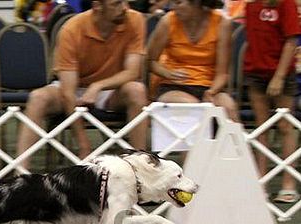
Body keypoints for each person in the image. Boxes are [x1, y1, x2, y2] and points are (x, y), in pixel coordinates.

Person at [15, 0, 149, 170]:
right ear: (97, 6)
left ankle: (140, 164)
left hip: (112, 88)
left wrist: (98, 86)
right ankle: (19, 171)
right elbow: (68, 93)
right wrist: (83, 144)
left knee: (137, 90)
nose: (125, 8)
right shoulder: (72, 29)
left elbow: (132, 72)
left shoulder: (135, 20)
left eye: (125, 2)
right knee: (38, 97)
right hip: (73, 87)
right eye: (116, 3)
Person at [244, 0, 301, 203]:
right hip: (255, 72)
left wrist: (278, 76)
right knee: (261, 128)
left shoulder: (286, 4)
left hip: (282, 73)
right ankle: (261, 181)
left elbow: (291, 41)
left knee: (286, 127)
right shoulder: (251, 5)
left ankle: (289, 184)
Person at [147, 0, 239, 122]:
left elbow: (223, 74)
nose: (173, 7)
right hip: (174, 85)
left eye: (178, 3)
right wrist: (168, 73)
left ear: (197, 3)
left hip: (209, 85)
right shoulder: (168, 21)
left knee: (228, 107)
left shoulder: (222, 23)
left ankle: (234, 141)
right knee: (194, 107)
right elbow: (150, 61)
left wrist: (211, 92)